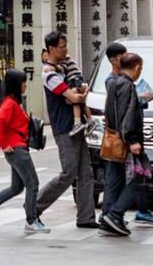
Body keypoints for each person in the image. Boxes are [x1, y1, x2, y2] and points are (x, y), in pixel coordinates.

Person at [34, 31, 96, 228]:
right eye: (62, 47)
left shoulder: (64, 67)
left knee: (86, 173)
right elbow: (74, 97)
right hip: (64, 128)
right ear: (51, 49)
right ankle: (33, 208)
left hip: (77, 126)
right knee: (69, 173)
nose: (65, 50)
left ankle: (86, 218)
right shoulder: (49, 74)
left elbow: (78, 92)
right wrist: (81, 94)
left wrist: (81, 92)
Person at [0, 69, 51, 234]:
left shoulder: (12, 102)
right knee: (33, 183)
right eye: (23, 82)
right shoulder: (10, 104)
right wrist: (4, 144)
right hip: (17, 150)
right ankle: (31, 220)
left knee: (16, 187)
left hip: (17, 149)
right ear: (16, 85)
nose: (25, 85)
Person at [98, 46, 145, 237]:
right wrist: (132, 140)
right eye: (140, 69)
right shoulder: (127, 86)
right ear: (136, 67)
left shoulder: (114, 83)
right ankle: (115, 214)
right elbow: (127, 115)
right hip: (125, 141)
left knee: (115, 179)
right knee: (140, 177)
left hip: (113, 139)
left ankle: (107, 218)